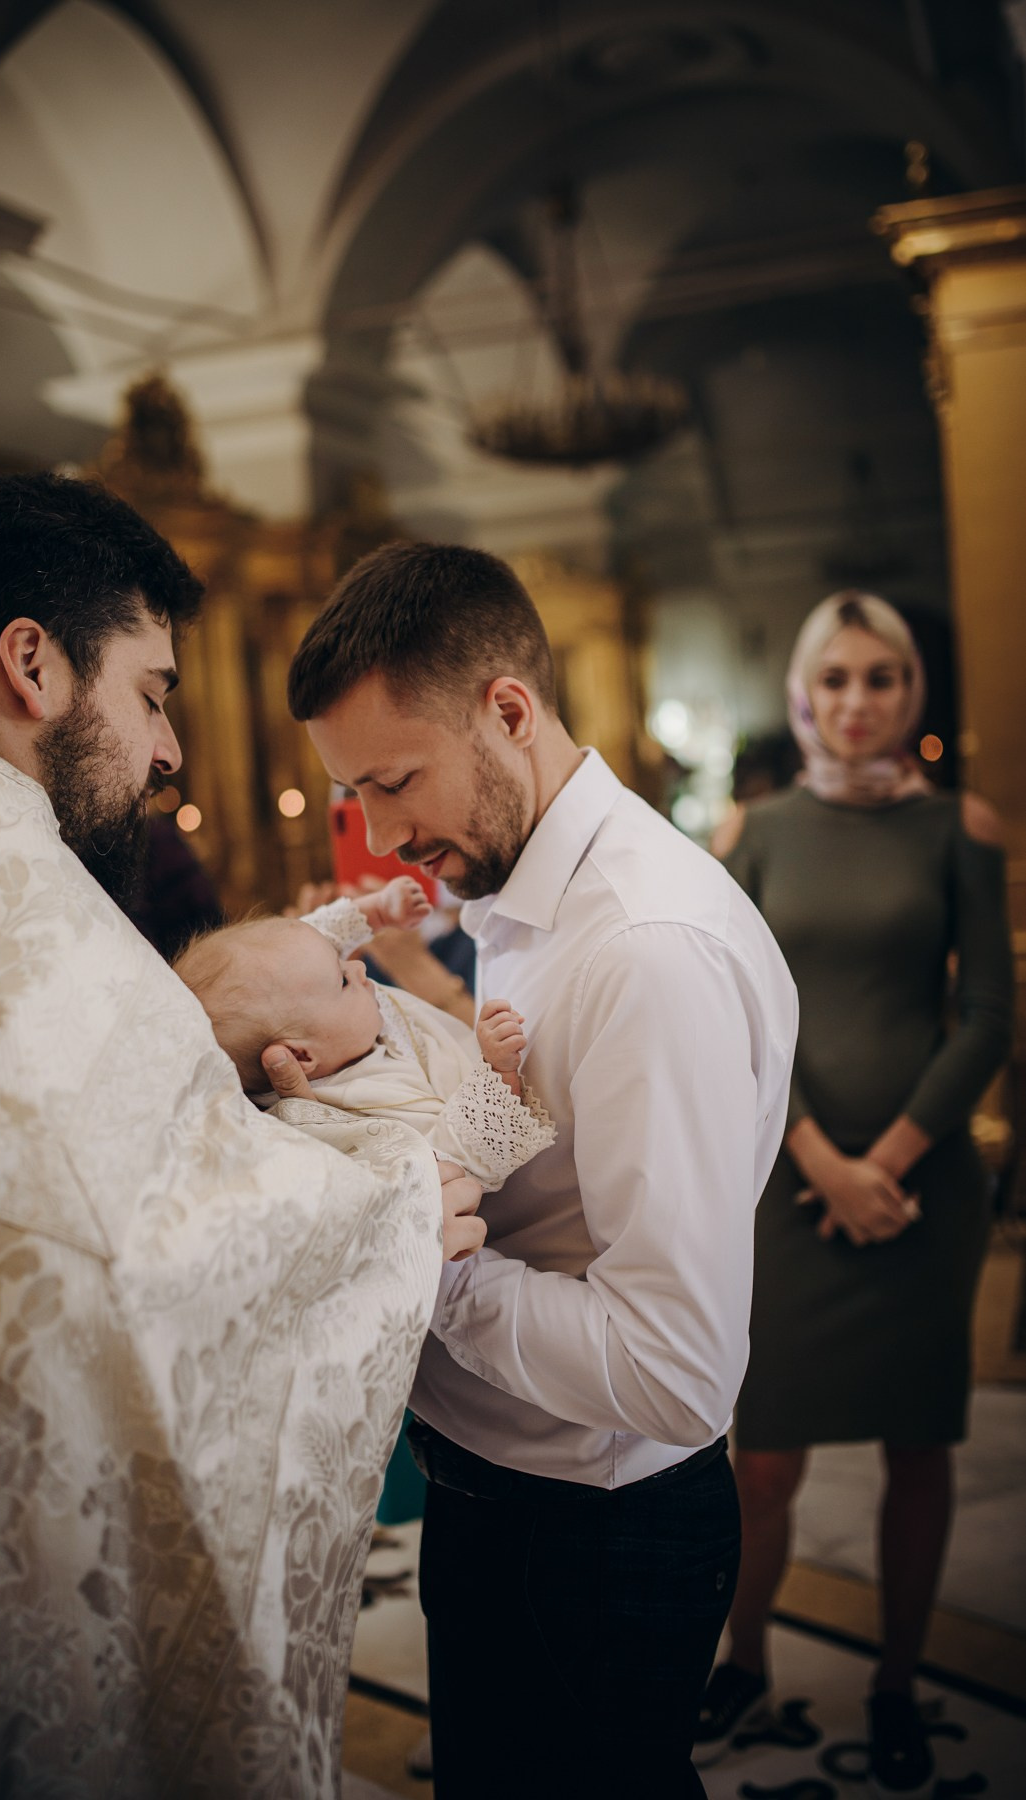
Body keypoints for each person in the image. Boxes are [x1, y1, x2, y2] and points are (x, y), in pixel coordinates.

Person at [0, 474, 484, 1799]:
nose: (170, 748)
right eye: (150, 693)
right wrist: (399, 1207)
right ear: (32, 664)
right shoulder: (14, 913)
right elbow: (139, 1252)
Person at [261, 540, 799, 1799]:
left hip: (591, 1533)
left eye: (395, 782)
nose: (383, 836)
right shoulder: (522, 886)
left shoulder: (645, 951)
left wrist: (418, 1259)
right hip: (505, 1490)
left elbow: (674, 1373)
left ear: (508, 710)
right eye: (353, 795)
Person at [698, 592, 1013, 1794]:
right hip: (788, 1184)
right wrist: (825, 1162)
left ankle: (893, 1684)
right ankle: (743, 1661)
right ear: (802, 693)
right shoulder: (753, 830)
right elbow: (726, 1010)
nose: (856, 701)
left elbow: (985, 1014)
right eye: (834, 678)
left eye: (881, 677)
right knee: (764, 1456)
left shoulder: (957, 826)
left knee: (917, 1447)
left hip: (923, 1194)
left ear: (910, 691)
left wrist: (888, 1162)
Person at [176, 874, 555, 1187]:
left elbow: (312, 941)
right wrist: (497, 1069)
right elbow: (461, 1155)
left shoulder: (318, 1017)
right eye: (343, 980)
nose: (358, 969)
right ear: (302, 1056)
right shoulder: (366, 1110)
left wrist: (377, 911)